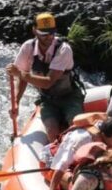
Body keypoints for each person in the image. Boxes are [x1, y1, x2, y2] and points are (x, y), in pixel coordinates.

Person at [6, 12, 83, 142]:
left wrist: (20, 74)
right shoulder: (28, 47)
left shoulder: (63, 49)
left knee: (76, 128)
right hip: (47, 100)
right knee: (52, 132)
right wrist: (16, 102)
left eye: (52, 32)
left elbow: (48, 82)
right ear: (34, 31)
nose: (49, 37)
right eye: (44, 33)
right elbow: (23, 79)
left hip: (69, 97)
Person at [42, 116, 112, 190]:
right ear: (103, 135)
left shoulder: (105, 130)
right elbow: (61, 165)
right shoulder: (82, 139)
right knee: (82, 182)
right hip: (52, 162)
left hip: (78, 163)